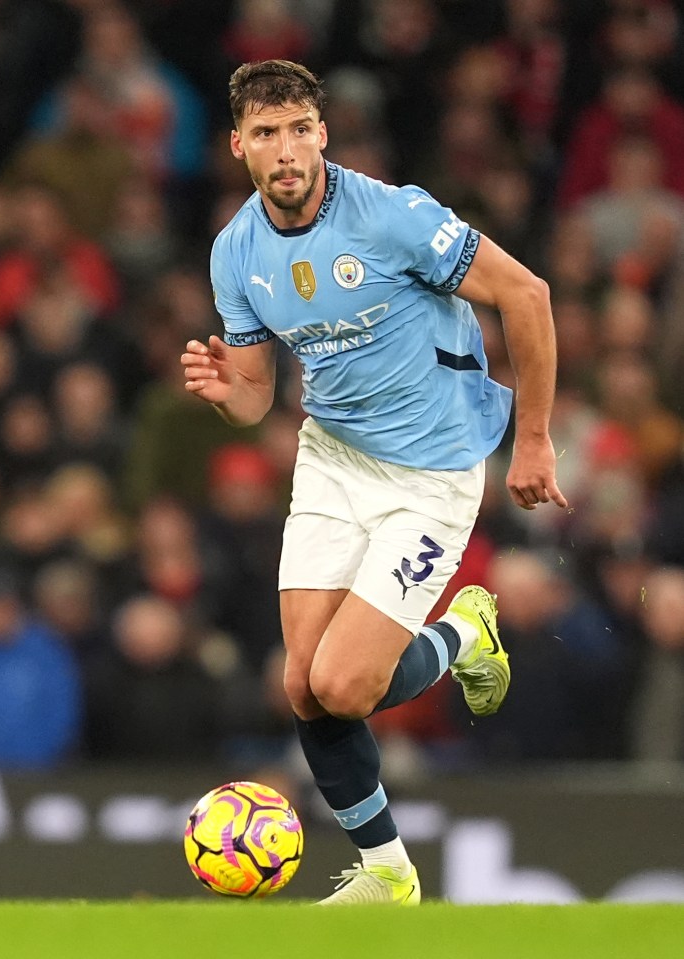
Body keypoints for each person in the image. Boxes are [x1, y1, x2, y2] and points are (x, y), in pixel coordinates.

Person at [180, 59, 567, 906]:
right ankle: (387, 873)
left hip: (431, 469)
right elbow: (255, 398)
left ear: (321, 133)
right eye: (265, 133)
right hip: (333, 456)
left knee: (344, 684)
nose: (285, 151)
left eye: (298, 129)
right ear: (237, 145)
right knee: (300, 684)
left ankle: (465, 632)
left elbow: (526, 295)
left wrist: (531, 438)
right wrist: (225, 391)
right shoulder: (235, 250)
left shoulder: (393, 217)